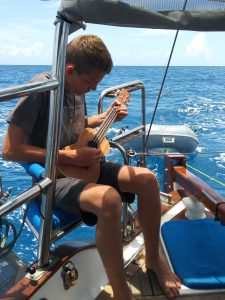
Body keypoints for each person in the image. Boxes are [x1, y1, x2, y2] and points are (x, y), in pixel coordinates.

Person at [2, 34, 181, 300]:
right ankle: (121, 292)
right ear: (70, 70)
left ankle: (154, 259)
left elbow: (77, 126)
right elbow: (9, 150)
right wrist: (69, 157)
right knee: (109, 199)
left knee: (147, 180)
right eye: (89, 83)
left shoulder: (75, 88)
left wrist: (106, 115)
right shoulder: (41, 90)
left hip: (84, 166)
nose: (92, 89)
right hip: (54, 177)